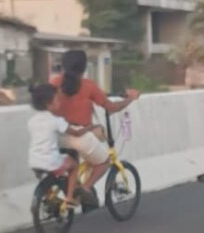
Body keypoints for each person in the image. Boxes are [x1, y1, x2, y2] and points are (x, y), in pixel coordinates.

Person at [51, 50, 140, 205]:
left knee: (74, 163)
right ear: (84, 67)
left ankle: (66, 196)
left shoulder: (54, 82)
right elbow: (111, 107)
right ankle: (85, 188)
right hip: (78, 136)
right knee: (103, 162)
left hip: (57, 134)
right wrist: (130, 99)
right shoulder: (88, 86)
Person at [27, 83, 104, 208]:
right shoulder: (55, 120)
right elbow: (76, 133)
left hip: (34, 160)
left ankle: (48, 196)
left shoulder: (32, 121)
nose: (59, 102)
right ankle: (69, 197)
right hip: (50, 160)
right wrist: (90, 127)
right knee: (73, 165)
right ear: (48, 103)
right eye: (57, 99)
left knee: (48, 171)